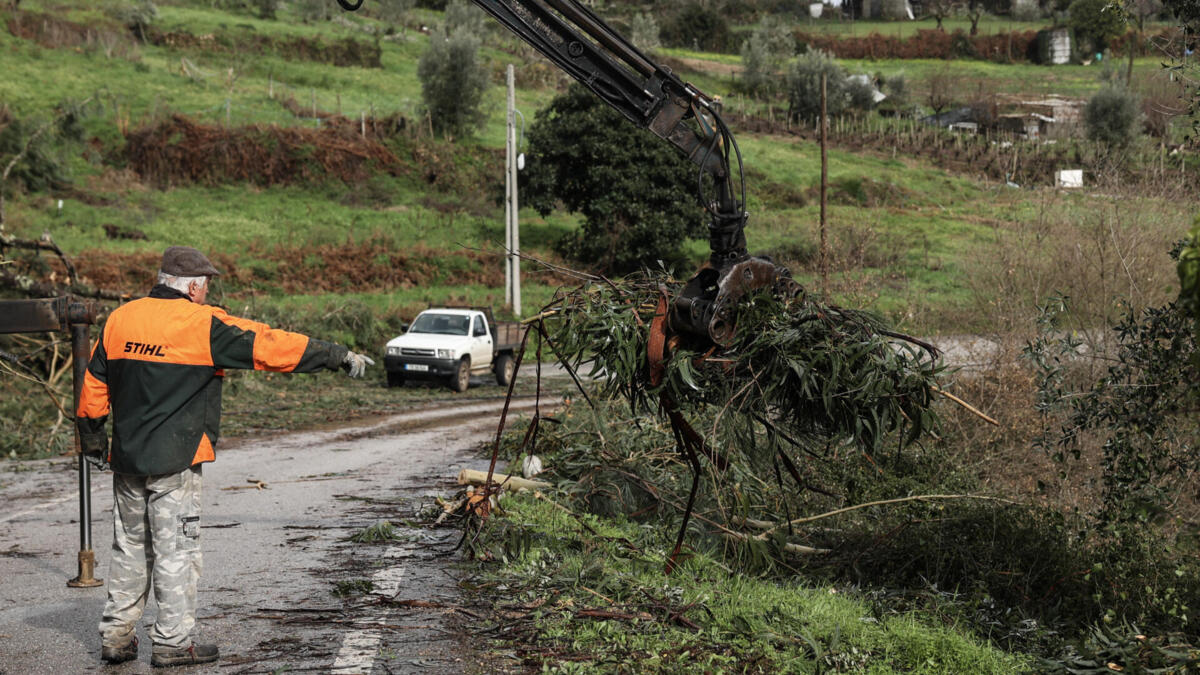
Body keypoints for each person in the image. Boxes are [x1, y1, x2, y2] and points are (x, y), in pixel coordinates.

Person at [75, 246, 375, 667]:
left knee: (128, 547)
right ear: (195, 285)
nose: (208, 291)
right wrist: (334, 354)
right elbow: (269, 345)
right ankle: (173, 643)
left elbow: (93, 386)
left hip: (125, 459)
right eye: (207, 284)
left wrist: (92, 439)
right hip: (176, 460)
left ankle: (116, 637)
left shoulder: (120, 319)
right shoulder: (203, 323)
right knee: (177, 550)